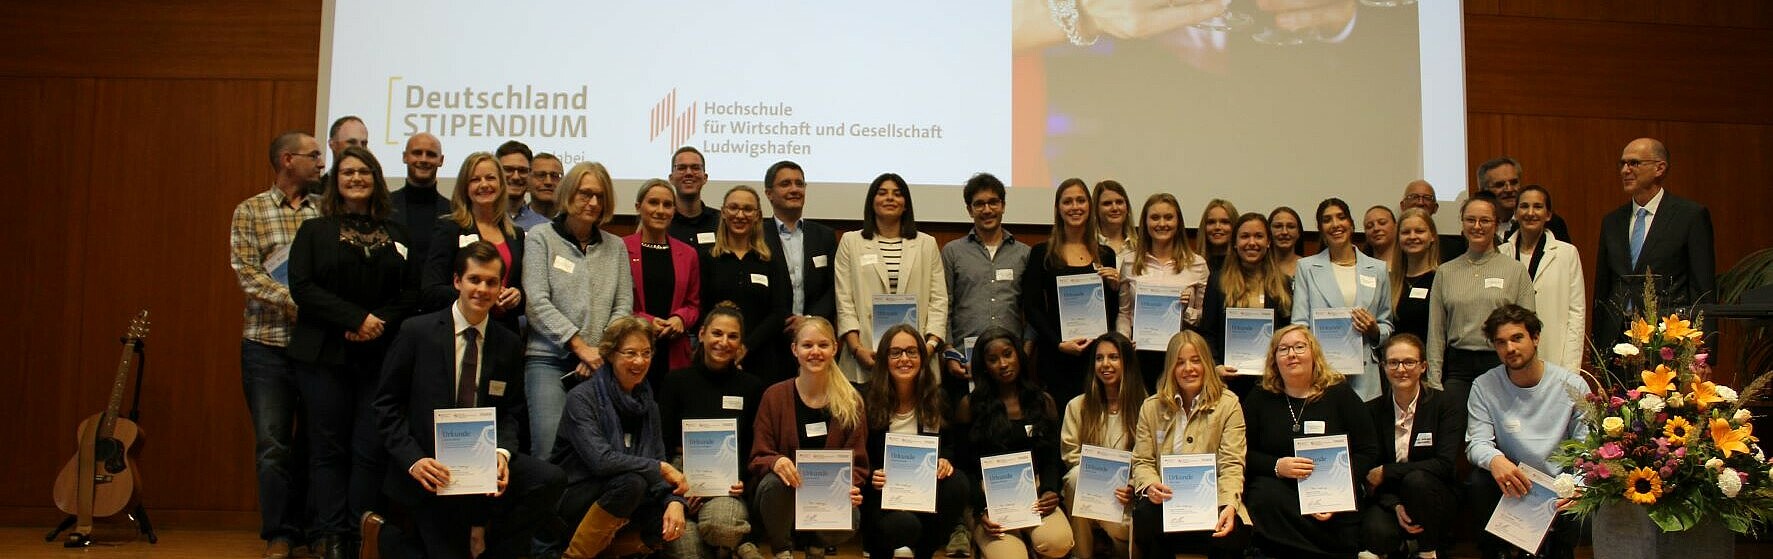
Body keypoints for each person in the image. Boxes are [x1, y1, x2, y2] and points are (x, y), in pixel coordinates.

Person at [370, 241, 565, 559]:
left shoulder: (508, 343)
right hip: (430, 468)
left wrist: (502, 453)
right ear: (457, 281)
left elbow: (511, 412)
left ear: (501, 286)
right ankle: (386, 538)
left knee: (549, 479)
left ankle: (488, 544)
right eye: (475, 279)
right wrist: (414, 461)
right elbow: (386, 406)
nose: (482, 289)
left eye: (492, 282)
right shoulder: (417, 332)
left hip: (482, 462)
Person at [287, 146, 418, 559]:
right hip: (323, 355)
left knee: (369, 448)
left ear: (376, 179)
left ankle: (360, 534)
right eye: (347, 172)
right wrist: (354, 319)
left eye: (364, 172)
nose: (356, 178)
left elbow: (411, 293)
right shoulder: (314, 231)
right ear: (335, 180)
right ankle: (329, 537)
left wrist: (376, 320)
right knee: (327, 448)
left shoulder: (398, 233)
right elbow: (302, 287)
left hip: (379, 356)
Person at [230, 131, 323, 558]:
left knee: (316, 441)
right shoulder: (250, 211)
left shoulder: (323, 211)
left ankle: (313, 528)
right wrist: (294, 299)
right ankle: (279, 534)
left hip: (318, 345)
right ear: (288, 160)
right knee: (273, 444)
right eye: (314, 155)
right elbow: (247, 274)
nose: (322, 161)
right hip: (266, 346)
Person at [553, 317, 691, 559]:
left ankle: (606, 551)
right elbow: (601, 460)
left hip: (625, 495)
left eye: (646, 353)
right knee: (632, 483)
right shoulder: (582, 398)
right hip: (575, 496)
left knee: (667, 519)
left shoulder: (649, 404)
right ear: (610, 354)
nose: (639, 361)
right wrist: (659, 468)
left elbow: (657, 461)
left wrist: (674, 502)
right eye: (630, 353)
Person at [523, 161, 634, 459]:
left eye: (600, 196)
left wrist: (599, 350)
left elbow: (623, 306)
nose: (593, 202)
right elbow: (535, 301)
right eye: (586, 194)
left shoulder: (616, 246)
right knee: (548, 451)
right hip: (548, 360)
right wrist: (579, 346)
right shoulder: (540, 237)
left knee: (597, 454)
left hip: (600, 362)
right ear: (569, 193)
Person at [1240, 325, 1379, 558]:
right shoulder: (1260, 397)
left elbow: (1368, 449)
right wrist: (1276, 466)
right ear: (1274, 359)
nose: (1291, 354)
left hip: (1333, 495)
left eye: (1299, 347)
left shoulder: (1339, 393)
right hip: (1283, 492)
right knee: (1261, 495)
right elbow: (1243, 452)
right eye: (1283, 349)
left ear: (1314, 353)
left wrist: (1335, 491)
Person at [1467, 305, 1588, 559]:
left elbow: (1587, 447)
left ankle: (1557, 548)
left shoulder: (1572, 385)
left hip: (1559, 485)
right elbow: (1476, 442)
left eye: (1517, 338)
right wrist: (1495, 459)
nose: (1509, 348)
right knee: (1478, 480)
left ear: (1535, 338)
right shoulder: (1484, 385)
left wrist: (1576, 486)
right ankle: (1498, 550)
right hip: (1512, 482)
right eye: (1501, 342)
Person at [656, 303, 769, 559]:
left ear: (741, 343)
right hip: (681, 480)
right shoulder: (676, 381)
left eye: (732, 336)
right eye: (717, 333)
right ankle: (735, 548)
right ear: (703, 333)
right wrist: (679, 487)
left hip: (726, 483)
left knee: (723, 528)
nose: (723, 342)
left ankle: (730, 542)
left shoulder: (751, 387)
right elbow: (662, 443)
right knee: (688, 551)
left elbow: (752, 445)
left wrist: (740, 479)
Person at [748, 318, 867, 559]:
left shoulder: (851, 401)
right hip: (784, 498)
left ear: (835, 348)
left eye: (823, 345)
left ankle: (817, 544)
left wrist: (851, 485)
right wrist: (775, 462)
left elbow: (859, 461)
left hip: (826, 500)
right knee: (774, 483)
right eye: (807, 345)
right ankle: (782, 550)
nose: (815, 352)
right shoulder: (774, 396)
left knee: (851, 517)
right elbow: (758, 456)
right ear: (794, 349)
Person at [1130, 331, 1250, 559]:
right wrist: (1150, 485)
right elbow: (1142, 461)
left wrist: (1228, 505)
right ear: (1170, 369)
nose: (1188, 369)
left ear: (1206, 363)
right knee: (1145, 519)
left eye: (1196, 360)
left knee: (1234, 533)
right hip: (1167, 501)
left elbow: (1232, 464)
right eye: (1180, 362)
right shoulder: (1151, 407)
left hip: (1212, 499)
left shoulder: (1229, 404)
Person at [957, 328, 1074, 559]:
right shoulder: (969, 406)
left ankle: (1032, 541)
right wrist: (981, 510)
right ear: (984, 366)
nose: (1002, 363)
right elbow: (963, 467)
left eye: (1008, 354)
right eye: (993, 359)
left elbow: (1051, 457)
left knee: (1058, 543)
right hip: (988, 499)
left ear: (1019, 355)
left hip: (1035, 494)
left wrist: (1050, 490)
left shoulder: (1043, 401)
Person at [1594, 138, 1715, 360]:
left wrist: (1703, 352)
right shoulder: (1612, 221)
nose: (1625, 170)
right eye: (1622, 164)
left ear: (1659, 168)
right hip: (1617, 341)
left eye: (1634, 163)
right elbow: (1603, 287)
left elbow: (1702, 289)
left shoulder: (1689, 216)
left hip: (1668, 340)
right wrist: (1598, 351)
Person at [861, 324, 972, 559]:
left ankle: (925, 550)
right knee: (904, 525)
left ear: (922, 357)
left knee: (958, 483)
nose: (905, 359)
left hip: (924, 495)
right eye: (896, 352)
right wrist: (873, 474)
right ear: (884, 358)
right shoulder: (866, 399)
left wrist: (945, 461)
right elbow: (856, 454)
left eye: (912, 352)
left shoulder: (937, 397)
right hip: (882, 498)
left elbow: (950, 445)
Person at [835, 172, 950, 384]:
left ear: (905, 204)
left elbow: (939, 301)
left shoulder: (927, 244)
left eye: (897, 194)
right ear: (872, 202)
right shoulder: (851, 242)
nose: (890, 198)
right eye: (882, 193)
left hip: (918, 355)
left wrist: (929, 346)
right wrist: (856, 348)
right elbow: (845, 301)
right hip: (866, 352)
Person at [1359, 334, 1462, 559]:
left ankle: (1428, 551)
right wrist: (1395, 505)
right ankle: (1403, 546)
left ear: (1423, 366)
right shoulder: (1371, 411)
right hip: (1389, 496)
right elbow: (1369, 474)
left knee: (1416, 481)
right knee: (1376, 533)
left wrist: (1388, 471)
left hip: (1433, 495)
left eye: (1409, 362)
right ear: (1384, 367)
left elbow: (1444, 465)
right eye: (1393, 362)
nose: (1401, 369)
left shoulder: (1445, 405)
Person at [1426, 193, 1535, 405]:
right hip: (1457, 370)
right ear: (1462, 223)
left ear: (1496, 224)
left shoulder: (1515, 270)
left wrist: (1525, 374)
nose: (1477, 226)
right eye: (1470, 220)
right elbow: (1436, 332)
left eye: (1484, 220)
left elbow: (1529, 328)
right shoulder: (1445, 272)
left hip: (1501, 364)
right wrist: (1434, 381)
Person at [1021, 178, 1120, 407]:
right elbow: (1032, 308)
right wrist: (1058, 343)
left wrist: (1114, 289)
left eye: (1080, 200)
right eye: (1068, 202)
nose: (1075, 207)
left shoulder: (1105, 254)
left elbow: (1111, 311)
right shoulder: (1041, 253)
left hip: (1096, 356)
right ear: (1058, 209)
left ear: (1090, 206)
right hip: (1056, 355)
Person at [941, 172, 1033, 406]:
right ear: (969, 210)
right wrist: (950, 354)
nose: (987, 209)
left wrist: (1024, 353)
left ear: (1003, 206)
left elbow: (1031, 310)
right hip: (964, 363)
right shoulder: (952, 252)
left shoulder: (1023, 253)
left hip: (1010, 365)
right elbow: (945, 306)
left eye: (993, 202)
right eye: (979, 204)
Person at [1292, 198, 1394, 401]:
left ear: (1351, 224)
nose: (1335, 224)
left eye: (1341, 217)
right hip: (1324, 372)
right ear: (1321, 228)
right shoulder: (1307, 267)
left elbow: (1387, 325)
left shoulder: (1377, 268)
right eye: (1327, 220)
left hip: (1367, 378)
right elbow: (1300, 324)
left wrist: (1374, 330)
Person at [1060, 333, 1146, 558]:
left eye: (1113, 357)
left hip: (1127, 495)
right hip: (1090, 490)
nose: (1105, 364)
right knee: (1074, 479)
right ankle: (1082, 554)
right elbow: (1070, 454)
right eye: (1099, 358)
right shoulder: (1077, 406)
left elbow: (1150, 457)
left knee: (1123, 531)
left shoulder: (1146, 407)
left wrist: (1132, 484)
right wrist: (1103, 480)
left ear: (1126, 362)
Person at [698, 185, 793, 380]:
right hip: (717, 356)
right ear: (723, 212)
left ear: (757, 216)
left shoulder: (770, 260)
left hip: (763, 358)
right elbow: (702, 307)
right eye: (733, 208)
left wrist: (745, 346)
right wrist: (728, 346)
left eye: (748, 209)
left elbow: (780, 311)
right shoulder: (708, 259)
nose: (740, 215)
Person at [1117, 193, 1208, 392]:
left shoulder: (1197, 264)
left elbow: (1204, 318)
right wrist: (1124, 343)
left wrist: (1187, 309)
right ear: (1145, 222)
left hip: (1182, 358)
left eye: (1168, 217)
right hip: (1141, 355)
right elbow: (1124, 313)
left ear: (1178, 222)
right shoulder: (1130, 262)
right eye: (1155, 217)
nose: (1162, 223)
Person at [421, 152, 525, 328]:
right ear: (465, 187)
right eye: (475, 179)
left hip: (502, 332)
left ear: (501, 184)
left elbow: (521, 291)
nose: (484, 184)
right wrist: (483, 296)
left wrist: (517, 297)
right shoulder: (449, 228)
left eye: (490, 178)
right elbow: (431, 290)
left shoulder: (516, 234)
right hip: (457, 328)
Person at [1198, 213, 1293, 387]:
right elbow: (1208, 332)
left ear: (1268, 242)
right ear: (1234, 243)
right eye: (1244, 236)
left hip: (1272, 380)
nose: (1251, 243)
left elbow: (1289, 331)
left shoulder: (1284, 283)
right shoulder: (1217, 281)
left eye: (1258, 236)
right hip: (1229, 380)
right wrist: (1216, 365)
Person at [1498, 185, 1585, 372]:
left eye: (1537, 207)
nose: (1530, 213)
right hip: (1510, 354)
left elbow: (1576, 313)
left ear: (1548, 214)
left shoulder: (1566, 253)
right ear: (1515, 212)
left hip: (1554, 352)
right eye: (1524, 206)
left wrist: (1571, 368)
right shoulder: (1500, 253)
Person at [625, 179, 702, 381]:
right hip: (632, 348)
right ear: (638, 207)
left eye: (667, 205)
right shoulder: (621, 248)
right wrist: (645, 320)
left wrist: (681, 318)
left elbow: (693, 304)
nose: (660, 210)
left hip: (675, 349)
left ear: (674, 211)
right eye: (653, 203)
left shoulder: (688, 253)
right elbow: (615, 303)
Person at [760, 161, 839, 335]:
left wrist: (809, 320)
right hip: (770, 338)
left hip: (816, 335)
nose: (795, 189)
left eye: (799, 184)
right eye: (785, 184)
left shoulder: (824, 236)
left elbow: (834, 288)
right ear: (769, 193)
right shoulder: (757, 236)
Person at [390, 133, 451, 281]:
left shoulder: (454, 212)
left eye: (430, 154)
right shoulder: (383, 207)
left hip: (437, 300)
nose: (423, 159)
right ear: (405, 157)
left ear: (441, 160)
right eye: (417, 153)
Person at [1476, 156, 1569, 243]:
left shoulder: (1548, 223)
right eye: (1499, 185)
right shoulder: (1476, 226)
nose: (1509, 189)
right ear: (1483, 191)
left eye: (1514, 183)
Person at [1388, 208, 1441, 343]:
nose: (1412, 236)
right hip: (1397, 360)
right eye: (1405, 232)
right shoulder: (1389, 281)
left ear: (1432, 236)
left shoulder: (1442, 278)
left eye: (1419, 231)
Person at [1399, 179, 1465, 262]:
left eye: (1427, 198)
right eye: (1414, 197)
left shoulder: (1454, 249)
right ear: (1402, 206)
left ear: (1435, 207)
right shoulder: (1394, 245)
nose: (1420, 202)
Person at [667, 146, 720, 248]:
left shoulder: (721, 222)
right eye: (681, 168)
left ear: (705, 178)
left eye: (695, 168)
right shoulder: (662, 221)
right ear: (671, 178)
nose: (689, 173)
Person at [497, 141, 547, 229]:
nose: (516, 177)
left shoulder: (543, 226)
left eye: (522, 170)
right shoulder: (482, 219)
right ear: (496, 172)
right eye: (508, 169)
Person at [1094, 180, 1137, 258]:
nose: (1115, 208)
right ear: (1096, 209)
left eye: (1119, 202)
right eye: (1107, 203)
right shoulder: (1088, 246)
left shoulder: (1140, 246)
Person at [522, 153, 564, 230]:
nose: (548, 182)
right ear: (528, 180)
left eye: (555, 176)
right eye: (540, 175)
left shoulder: (573, 222)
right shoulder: (513, 223)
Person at [1195, 199, 1239, 271]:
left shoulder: (1244, 266)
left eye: (1225, 222)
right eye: (1211, 222)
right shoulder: (1193, 265)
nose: (1217, 227)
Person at [1268, 206, 1305, 278]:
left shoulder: (1308, 267)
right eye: (1278, 226)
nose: (1284, 232)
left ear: (1299, 233)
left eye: (1291, 227)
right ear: (1268, 232)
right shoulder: (1258, 267)